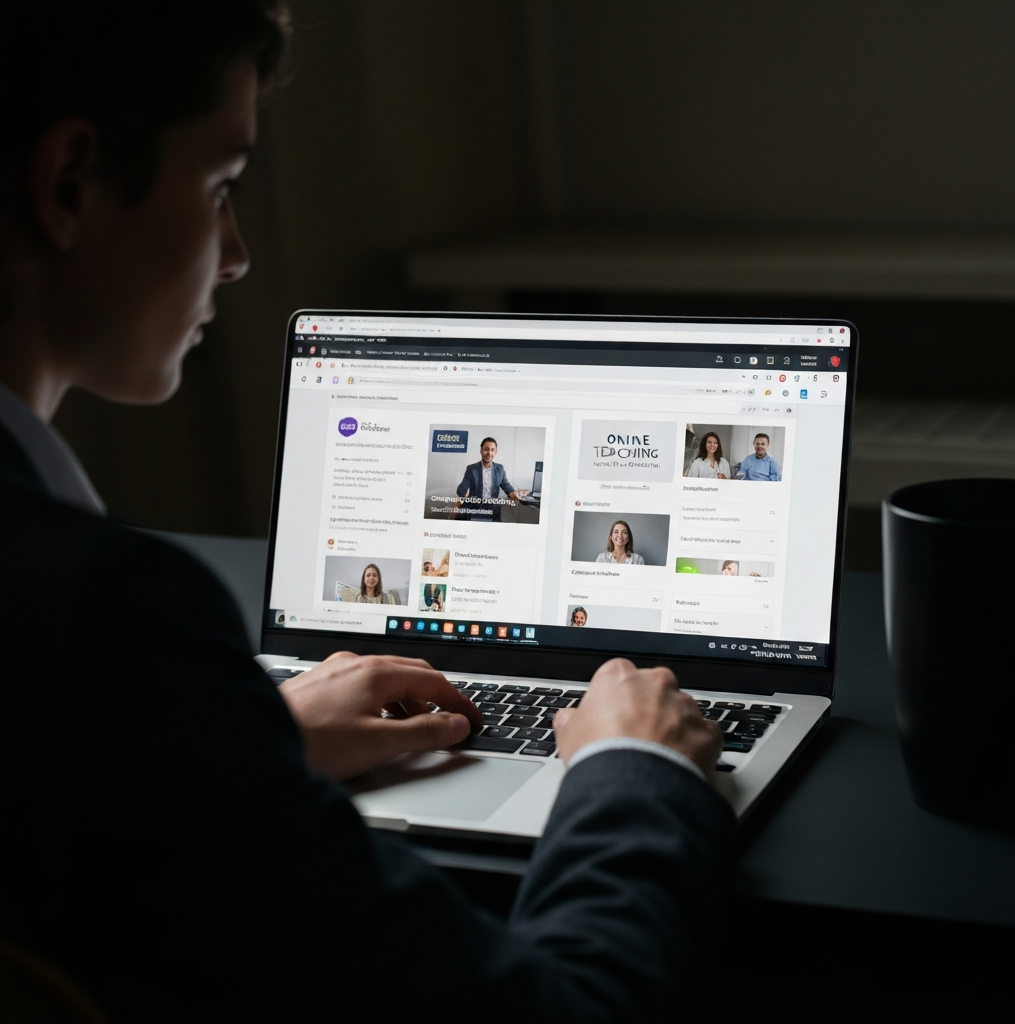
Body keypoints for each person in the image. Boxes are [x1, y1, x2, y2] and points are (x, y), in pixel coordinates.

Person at [0, 5, 732, 1022]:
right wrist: (633, 767)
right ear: (70, 182)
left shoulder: (107, 671)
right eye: (219, 187)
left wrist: (241, 744)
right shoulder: (108, 619)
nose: (238, 254)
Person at [453, 436, 527, 521]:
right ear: (481, 451)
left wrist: (517, 494)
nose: (489, 453)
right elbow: (460, 492)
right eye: (486, 449)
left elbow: (508, 489)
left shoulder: (500, 469)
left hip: (492, 510)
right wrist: (464, 490)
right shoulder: (471, 469)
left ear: (495, 452)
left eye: (492, 450)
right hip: (475, 510)